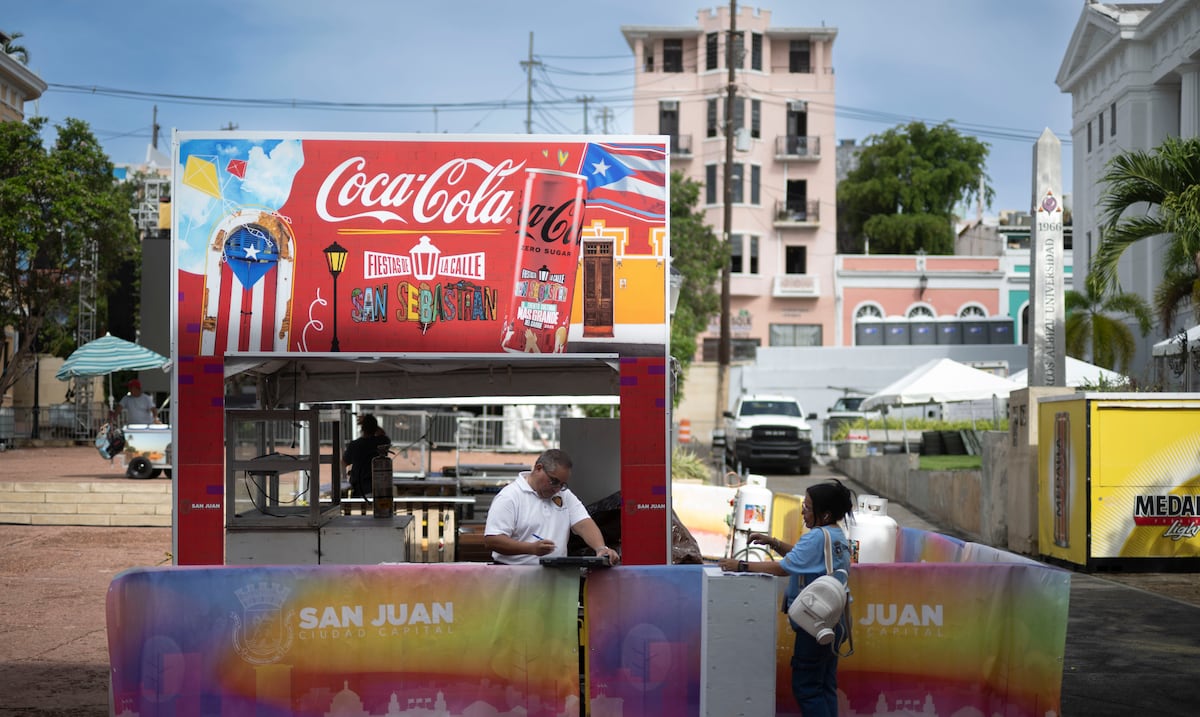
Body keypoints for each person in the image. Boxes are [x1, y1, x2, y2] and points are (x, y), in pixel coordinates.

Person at [718, 479, 855, 717]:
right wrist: (774, 542)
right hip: (836, 622)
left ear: (825, 514)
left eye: (809, 507)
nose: (803, 509)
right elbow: (804, 558)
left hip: (815, 625)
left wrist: (740, 565)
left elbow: (785, 568)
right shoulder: (836, 535)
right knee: (824, 686)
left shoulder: (816, 537)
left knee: (807, 689)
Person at [483, 448, 620, 566]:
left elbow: (583, 523)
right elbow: (493, 540)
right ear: (538, 469)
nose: (557, 488)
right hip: (515, 576)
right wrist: (530, 549)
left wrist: (600, 548)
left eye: (562, 484)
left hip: (555, 574)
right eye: (553, 481)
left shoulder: (564, 494)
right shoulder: (510, 496)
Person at [342, 414, 390, 499]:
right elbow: (383, 433)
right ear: (375, 428)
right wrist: (370, 422)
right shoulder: (381, 442)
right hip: (378, 488)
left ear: (362, 428)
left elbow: (343, 463)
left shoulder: (354, 445)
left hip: (359, 489)